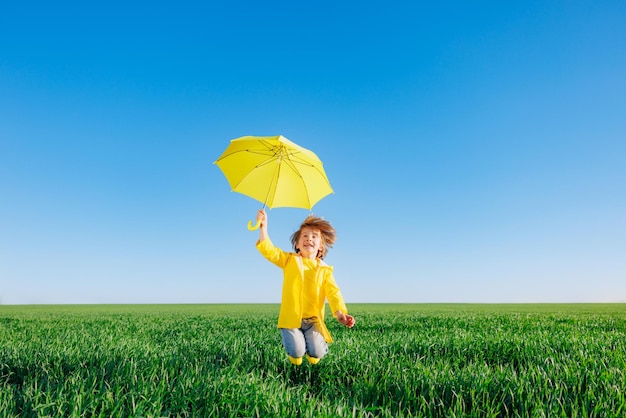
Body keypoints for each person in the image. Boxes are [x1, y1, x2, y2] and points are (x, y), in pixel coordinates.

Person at [255, 208, 355, 366]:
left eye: (314, 237)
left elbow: (333, 292)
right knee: (297, 352)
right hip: (292, 318)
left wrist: (339, 312)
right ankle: (294, 349)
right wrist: (263, 227)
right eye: (305, 236)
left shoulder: (325, 269)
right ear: (297, 244)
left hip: (313, 320)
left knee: (317, 351)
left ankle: (314, 351)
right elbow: (270, 252)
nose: (309, 239)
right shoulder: (289, 260)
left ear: (321, 247)